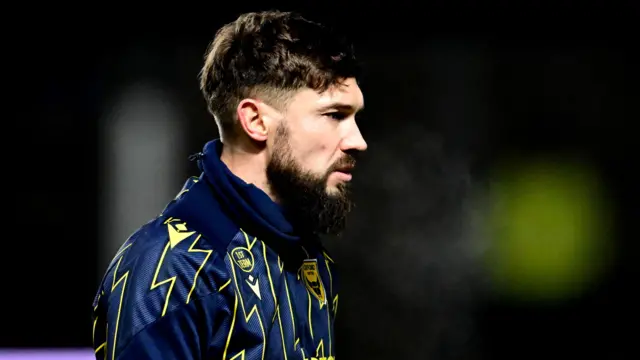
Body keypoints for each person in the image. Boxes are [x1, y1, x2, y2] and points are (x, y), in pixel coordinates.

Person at [92, 10, 367, 360]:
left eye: (355, 117)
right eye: (334, 115)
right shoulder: (169, 270)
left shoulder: (310, 260)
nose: (357, 140)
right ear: (255, 121)